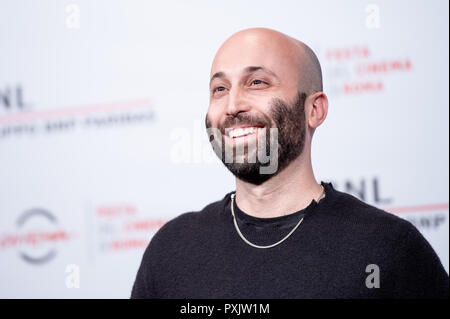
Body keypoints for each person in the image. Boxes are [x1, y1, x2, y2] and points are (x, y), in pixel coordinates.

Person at [131, 28, 449, 298]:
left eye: (257, 83)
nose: (232, 105)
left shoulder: (388, 247)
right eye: (220, 89)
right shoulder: (171, 250)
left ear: (314, 110)